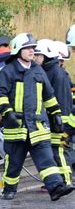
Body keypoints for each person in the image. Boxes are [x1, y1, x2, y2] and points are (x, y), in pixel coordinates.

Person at [0, 33, 73, 201]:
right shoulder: (8, 71)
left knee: (46, 159)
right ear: (17, 50)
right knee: (14, 162)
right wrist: (7, 113)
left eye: (33, 48)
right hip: (17, 127)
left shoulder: (38, 70)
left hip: (38, 126)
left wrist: (56, 114)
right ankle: (9, 188)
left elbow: (49, 95)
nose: (32, 51)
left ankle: (55, 188)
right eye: (28, 48)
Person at [34, 39, 74, 186]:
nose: (35, 58)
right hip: (53, 118)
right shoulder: (51, 71)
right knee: (53, 150)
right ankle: (58, 180)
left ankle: (65, 180)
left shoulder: (55, 72)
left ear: (46, 56)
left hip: (58, 119)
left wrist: (59, 121)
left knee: (59, 150)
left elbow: (59, 98)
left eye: (38, 55)